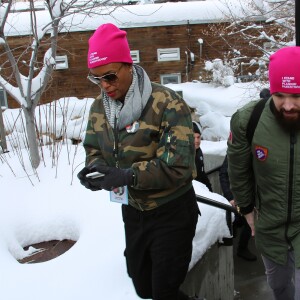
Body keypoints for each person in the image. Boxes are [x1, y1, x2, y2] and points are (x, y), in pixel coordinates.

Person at [77, 23, 203, 300]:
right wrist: (94, 171)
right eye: (96, 79)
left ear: (129, 65)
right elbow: (93, 148)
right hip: (133, 211)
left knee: (164, 290)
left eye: (109, 76)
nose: (105, 86)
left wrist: (125, 176)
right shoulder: (100, 108)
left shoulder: (167, 103)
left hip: (171, 210)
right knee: (143, 286)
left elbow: (178, 167)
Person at [227, 46, 300, 300]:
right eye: (280, 95)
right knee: (279, 287)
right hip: (269, 225)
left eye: (296, 95)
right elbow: (238, 168)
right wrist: (246, 208)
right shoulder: (249, 119)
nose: (288, 105)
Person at [219, 155, 257, 261]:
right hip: (236, 196)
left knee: (248, 223)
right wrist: (230, 197)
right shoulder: (234, 153)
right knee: (240, 219)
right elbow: (223, 175)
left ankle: (242, 248)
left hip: (250, 196)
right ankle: (240, 245)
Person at [192, 122, 213, 192]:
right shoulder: (185, 155)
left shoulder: (199, 151)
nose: (197, 141)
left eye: (198, 137)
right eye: (193, 138)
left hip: (202, 190)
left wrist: (210, 190)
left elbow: (202, 173)